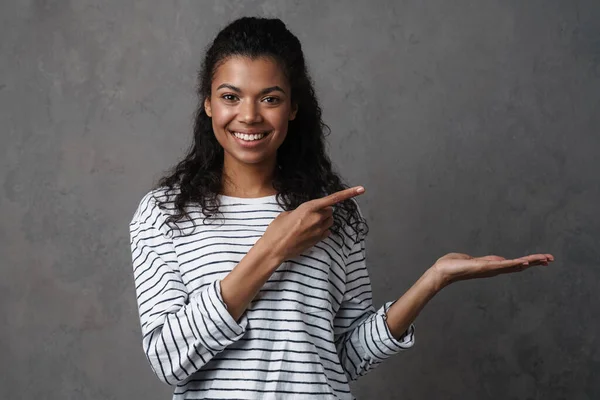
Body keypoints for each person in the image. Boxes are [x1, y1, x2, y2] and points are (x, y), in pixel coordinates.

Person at [129, 16, 554, 400]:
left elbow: (346, 357)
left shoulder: (332, 214)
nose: (249, 115)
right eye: (230, 96)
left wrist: (433, 280)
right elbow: (169, 361)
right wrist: (271, 249)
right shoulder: (164, 214)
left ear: (293, 107)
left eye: (270, 98)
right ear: (208, 103)